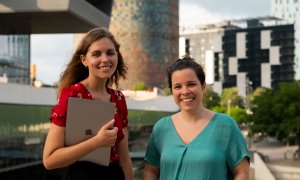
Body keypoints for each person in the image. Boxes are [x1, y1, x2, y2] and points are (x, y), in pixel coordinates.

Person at [43, 27, 133, 180]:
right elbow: (49, 160)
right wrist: (96, 142)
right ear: (84, 60)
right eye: (96, 54)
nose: (105, 59)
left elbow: (125, 159)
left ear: (117, 56)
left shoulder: (118, 98)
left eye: (110, 53)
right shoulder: (71, 95)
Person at [143, 56, 250, 180]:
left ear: (203, 86)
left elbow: (242, 172)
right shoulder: (161, 128)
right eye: (178, 87)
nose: (185, 91)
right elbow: (151, 171)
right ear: (172, 91)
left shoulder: (226, 126)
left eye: (191, 84)